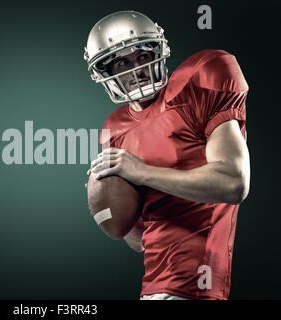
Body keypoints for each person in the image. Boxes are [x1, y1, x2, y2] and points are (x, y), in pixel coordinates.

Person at [84, 11, 250, 300]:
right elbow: (139, 241)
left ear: (160, 52)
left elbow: (234, 182)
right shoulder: (114, 128)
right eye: (122, 62)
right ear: (105, 74)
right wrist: (106, 199)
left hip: (197, 285)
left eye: (143, 56)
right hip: (152, 287)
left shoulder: (200, 78)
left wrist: (141, 172)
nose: (136, 69)